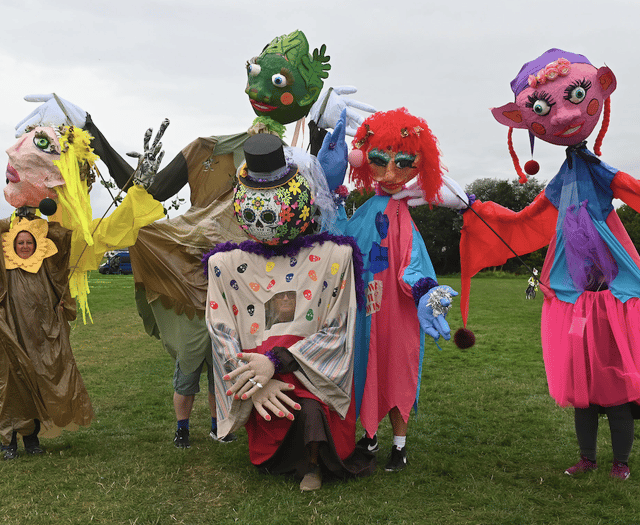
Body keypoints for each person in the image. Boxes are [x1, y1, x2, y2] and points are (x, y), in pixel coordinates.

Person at [460, 49, 640, 480]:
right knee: (583, 393)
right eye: (543, 110)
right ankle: (587, 458)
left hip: (614, 294)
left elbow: (629, 187)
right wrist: (479, 210)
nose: (560, 117)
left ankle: (619, 463)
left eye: (572, 98)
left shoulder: (596, 172)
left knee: (614, 390)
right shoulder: (564, 180)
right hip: (574, 297)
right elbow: (528, 217)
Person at [205, 133, 375, 491]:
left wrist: (278, 362)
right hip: (259, 371)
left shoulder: (334, 256)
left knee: (309, 405)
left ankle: (312, 461)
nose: (263, 220)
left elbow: (337, 329)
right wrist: (254, 380)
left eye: (271, 210)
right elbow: (222, 333)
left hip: (307, 368)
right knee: (279, 402)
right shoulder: (226, 264)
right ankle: (285, 455)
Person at [0, 124, 163, 460]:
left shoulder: (55, 239)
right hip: (8, 326)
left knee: (41, 375)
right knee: (9, 380)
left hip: (42, 326)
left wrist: (139, 191)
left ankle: (31, 439)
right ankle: (7, 440)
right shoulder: (5, 233)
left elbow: (101, 235)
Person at [344, 108, 457, 471]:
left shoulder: (402, 217)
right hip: (365, 313)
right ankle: (371, 437)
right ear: (365, 160)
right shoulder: (365, 212)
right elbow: (340, 244)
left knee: (397, 370)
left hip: (398, 314)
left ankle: (399, 445)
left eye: (404, 163)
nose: (390, 173)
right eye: (379, 160)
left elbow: (414, 262)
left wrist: (424, 290)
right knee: (363, 368)